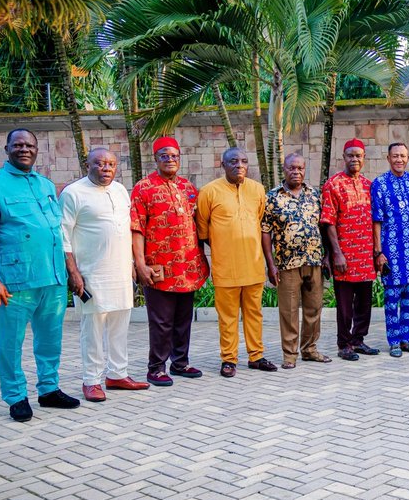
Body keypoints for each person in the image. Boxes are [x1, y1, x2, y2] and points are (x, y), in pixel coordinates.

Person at [0, 128, 79, 421]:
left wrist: (70, 271)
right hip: (14, 280)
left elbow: (55, 231)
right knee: (10, 342)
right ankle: (16, 396)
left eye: (29, 145)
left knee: (50, 339)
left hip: (52, 277)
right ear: (6, 148)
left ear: (36, 149)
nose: (24, 149)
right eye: (17, 144)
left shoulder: (45, 185)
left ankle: (48, 389)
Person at [61, 147, 149, 402]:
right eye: (99, 164)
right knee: (93, 329)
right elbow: (63, 235)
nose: (106, 169)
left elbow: (125, 230)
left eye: (110, 164)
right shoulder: (73, 193)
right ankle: (91, 380)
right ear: (86, 165)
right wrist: (73, 272)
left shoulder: (121, 191)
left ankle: (117, 374)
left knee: (120, 326)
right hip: (91, 275)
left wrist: (133, 264)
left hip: (121, 272)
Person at [131, 136, 209, 387]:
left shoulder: (188, 188)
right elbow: (137, 229)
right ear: (156, 159)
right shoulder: (143, 188)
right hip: (159, 267)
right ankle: (155, 368)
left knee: (183, 319)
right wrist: (140, 264)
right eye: (164, 155)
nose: (170, 159)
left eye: (174, 155)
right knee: (161, 321)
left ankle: (180, 362)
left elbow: (200, 226)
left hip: (187, 266)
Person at [196, 147, 278, 377]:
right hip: (225, 268)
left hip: (253, 265)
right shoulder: (209, 192)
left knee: (255, 313)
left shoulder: (257, 190)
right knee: (228, 317)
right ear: (222, 164)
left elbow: (260, 222)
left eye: (243, 161)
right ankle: (229, 359)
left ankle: (256, 356)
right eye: (233, 161)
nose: (239, 165)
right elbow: (202, 231)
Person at [262, 152, 329, 369]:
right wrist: (270, 264)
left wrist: (326, 255)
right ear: (285, 169)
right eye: (292, 168)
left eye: (300, 168)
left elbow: (324, 226)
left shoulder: (314, 194)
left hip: (314, 261)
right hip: (287, 264)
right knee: (289, 311)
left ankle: (309, 350)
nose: (296, 172)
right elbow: (265, 232)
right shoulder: (272, 197)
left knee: (314, 309)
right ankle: (289, 355)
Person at [321, 139, 379, 360]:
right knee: (345, 305)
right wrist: (336, 253)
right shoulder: (333, 184)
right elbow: (328, 221)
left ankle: (358, 340)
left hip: (365, 256)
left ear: (363, 158)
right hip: (344, 256)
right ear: (343, 157)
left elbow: (376, 220)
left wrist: (376, 251)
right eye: (350, 155)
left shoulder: (368, 185)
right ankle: (344, 344)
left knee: (364, 302)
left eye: (358, 156)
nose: (354, 159)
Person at [372, 143, 409, 357]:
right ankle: (394, 341)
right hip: (390, 251)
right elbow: (376, 219)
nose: (399, 160)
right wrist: (378, 251)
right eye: (395, 156)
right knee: (392, 299)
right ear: (388, 158)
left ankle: (407, 339)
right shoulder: (379, 184)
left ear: (408, 158)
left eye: (403, 156)